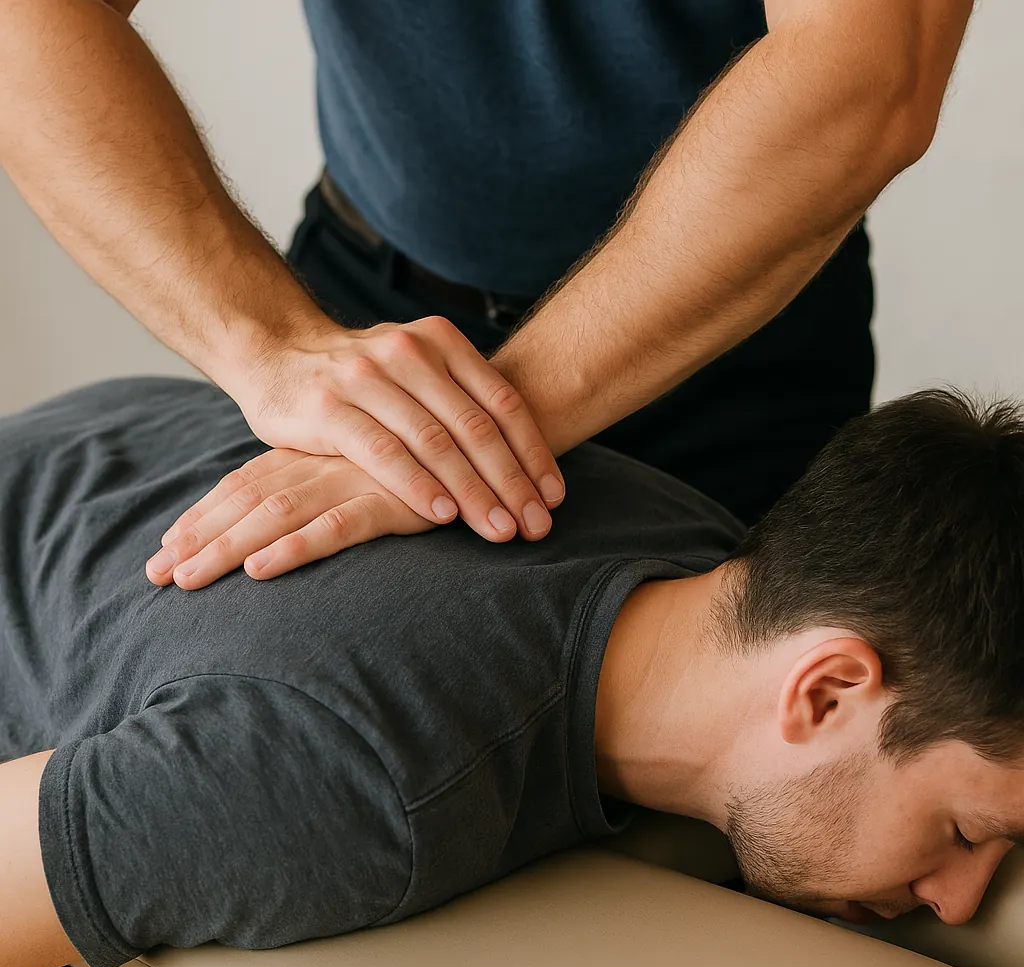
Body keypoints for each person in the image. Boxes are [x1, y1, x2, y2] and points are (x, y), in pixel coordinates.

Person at [2, 374, 1024, 967]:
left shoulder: (702, 553)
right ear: (826, 690)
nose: (963, 896)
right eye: (965, 833)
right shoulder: (347, 780)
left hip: (89, 456)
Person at [1, 1, 976, 593]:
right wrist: (264, 345)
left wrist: (472, 425)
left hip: (729, 361)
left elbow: (869, 71)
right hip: (364, 326)